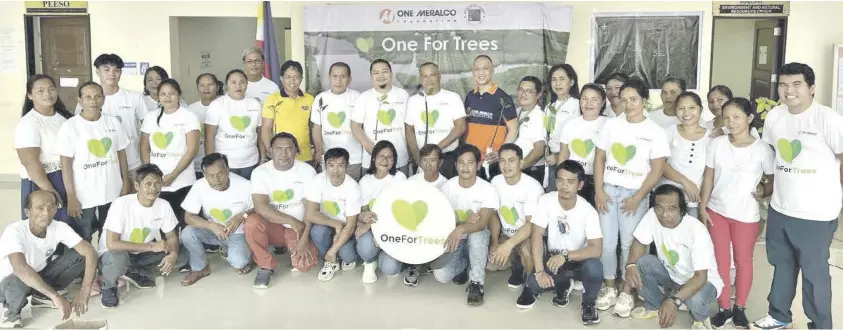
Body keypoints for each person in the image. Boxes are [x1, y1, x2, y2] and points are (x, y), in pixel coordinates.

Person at [752, 63, 842, 330]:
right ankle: (779, 316)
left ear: (812, 88)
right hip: (781, 207)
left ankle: (820, 325)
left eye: (796, 84)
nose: (788, 90)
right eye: (783, 85)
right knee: (782, 265)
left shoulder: (827, 119)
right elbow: (771, 155)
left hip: (816, 213)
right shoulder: (776, 117)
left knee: (815, 275)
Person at [593, 78, 670, 313]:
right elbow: (599, 158)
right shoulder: (611, 125)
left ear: (644, 100)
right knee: (606, 243)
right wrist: (598, 190)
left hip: (635, 194)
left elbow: (657, 169)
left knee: (630, 244)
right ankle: (609, 286)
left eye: (634, 99)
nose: (628, 104)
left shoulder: (655, 131)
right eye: (624, 99)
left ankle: (627, 291)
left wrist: (638, 197)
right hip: (608, 190)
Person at [698, 97, 774, 329]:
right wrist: (702, 206)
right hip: (717, 211)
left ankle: (739, 307)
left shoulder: (762, 150)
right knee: (720, 261)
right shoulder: (717, 144)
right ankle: (724, 308)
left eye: (737, 117)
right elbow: (708, 177)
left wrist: (763, 190)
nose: (731, 122)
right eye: (727, 117)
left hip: (746, 215)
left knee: (743, 261)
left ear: (749, 118)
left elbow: (772, 180)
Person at [619, 185, 721, 330]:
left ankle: (700, 319)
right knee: (642, 263)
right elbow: (639, 241)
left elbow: (700, 277)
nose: (664, 214)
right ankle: (654, 306)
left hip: (704, 282)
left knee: (695, 300)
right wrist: (630, 265)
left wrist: (674, 301)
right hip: (674, 276)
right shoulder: (652, 215)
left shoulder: (696, 231)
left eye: (672, 209)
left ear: (682, 209)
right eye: (659, 208)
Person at [515, 161, 603, 326]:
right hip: (552, 261)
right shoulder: (546, 201)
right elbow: (536, 236)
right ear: (556, 181)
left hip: (578, 262)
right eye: (561, 180)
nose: (564, 186)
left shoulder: (588, 211)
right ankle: (561, 284)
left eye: (570, 182)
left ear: (580, 185)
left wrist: (565, 256)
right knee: (533, 285)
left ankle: (589, 303)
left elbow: (596, 249)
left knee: (595, 266)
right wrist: (540, 271)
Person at [0, 190, 98, 328]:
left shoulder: (58, 227)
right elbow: (20, 269)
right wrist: (56, 296)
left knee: (79, 256)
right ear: (27, 212)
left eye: (51, 207)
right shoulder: (15, 231)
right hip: (8, 284)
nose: (46, 212)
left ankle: (40, 297)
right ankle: (10, 313)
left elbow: (90, 252)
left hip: (37, 275)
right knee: (19, 278)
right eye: (40, 208)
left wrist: (84, 291)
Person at [97, 164, 189, 308]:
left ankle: (132, 271)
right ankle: (108, 286)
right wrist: (152, 246)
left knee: (183, 254)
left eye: (157, 183)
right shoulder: (121, 204)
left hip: (141, 254)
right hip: (112, 255)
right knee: (119, 258)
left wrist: (174, 254)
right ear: (137, 185)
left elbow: (171, 236)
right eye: (148, 184)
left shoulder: (163, 205)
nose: (153, 188)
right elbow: (112, 244)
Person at [58, 82, 132, 242]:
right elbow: (66, 165)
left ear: (104, 99)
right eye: (88, 97)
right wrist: (71, 196)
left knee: (111, 234)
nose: (93, 101)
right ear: (80, 100)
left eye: (98, 96)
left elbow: (121, 155)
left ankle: (106, 265)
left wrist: (126, 181)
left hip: (113, 191)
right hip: (84, 195)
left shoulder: (113, 122)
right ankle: (86, 266)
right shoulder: (70, 127)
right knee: (83, 236)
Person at [245, 133, 319, 289]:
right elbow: (261, 207)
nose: (283, 154)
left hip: (299, 228)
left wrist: (304, 239)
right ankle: (265, 265)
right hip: (275, 226)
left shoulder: (307, 171)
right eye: (279, 149)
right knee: (252, 222)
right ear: (270, 151)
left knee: (304, 266)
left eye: (288, 149)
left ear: (296, 151)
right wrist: (292, 221)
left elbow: (311, 211)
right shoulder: (260, 172)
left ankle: (291, 247)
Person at [431, 144, 497, 306]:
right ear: (455, 165)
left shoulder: (487, 189)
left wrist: (462, 228)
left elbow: (482, 224)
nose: (465, 167)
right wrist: (463, 225)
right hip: (456, 238)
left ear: (478, 165)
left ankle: (476, 283)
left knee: (477, 234)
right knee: (441, 276)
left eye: (470, 163)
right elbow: (441, 220)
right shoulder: (447, 188)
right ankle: (463, 266)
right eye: (461, 163)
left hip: (477, 237)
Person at [179, 153, 254, 286]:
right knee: (187, 233)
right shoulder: (199, 185)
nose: (216, 180)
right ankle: (200, 268)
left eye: (220, 174)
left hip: (238, 233)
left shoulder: (245, 185)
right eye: (210, 176)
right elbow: (188, 217)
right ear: (204, 174)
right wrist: (211, 225)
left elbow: (259, 207)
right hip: (213, 232)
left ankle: (244, 251)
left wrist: (242, 215)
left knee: (239, 263)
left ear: (228, 170)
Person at [75, 54, 151, 174]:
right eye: (106, 69)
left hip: (133, 162)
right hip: (100, 165)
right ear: (97, 71)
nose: (112, 73)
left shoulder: (134, 97)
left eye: (116, 70)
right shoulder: (87, 100)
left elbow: (147, 129)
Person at [140, 79, 200, 227]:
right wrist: (149, 174)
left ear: (179, 94)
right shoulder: (151, 117)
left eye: (172, 93)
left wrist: (173, 174)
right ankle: (169, 248)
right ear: (158, 96)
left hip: (183, 179)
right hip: (158, 180)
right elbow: (144, 146)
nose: (167, 97)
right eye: (163, 94)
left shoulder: (189, 116)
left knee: (185, 222)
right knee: (164, 222)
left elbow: (192, 149)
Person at [15, 75, 74, 223]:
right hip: (44, 181)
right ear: (30, 95)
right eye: (40, 91)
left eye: (51, 89)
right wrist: (51, 191)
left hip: (66, 176)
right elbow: (30, 163)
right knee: (45, 227)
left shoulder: (65, 118)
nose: (47, 94)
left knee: (67, 228)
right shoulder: (29, 123)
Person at [488, 143, 543, 288]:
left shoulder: (533, 187)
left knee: (525, 250)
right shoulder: (495, 182)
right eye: (502, 161)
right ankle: (516, 265)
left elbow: (531, 225)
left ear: (521, 162)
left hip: (527, 235)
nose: (506, 166)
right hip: (506, 234)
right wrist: (495, 241)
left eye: (511, 160)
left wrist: (508, 245)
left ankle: (530, 283)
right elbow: (493, 214)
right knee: (490, 265)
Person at [305, 148, 362, 281]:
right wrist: (335, 224)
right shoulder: (318, 181)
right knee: (317, 232)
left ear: (347, 166)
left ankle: (333, 253)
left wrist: (333, 249)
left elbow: (351, 225)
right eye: (331, 165)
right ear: (325, 166)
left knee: (348, 257)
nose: (335, 170)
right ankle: (331, 261)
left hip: (346, 227)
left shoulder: (353, 188)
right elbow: (311, 214)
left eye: (340, 165)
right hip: (326, 224)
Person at [355, 141, 407, 284]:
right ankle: (370, 262)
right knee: (366, 248)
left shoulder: (400, 178)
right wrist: (369, 224)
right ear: (373, 158)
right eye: (381, 156)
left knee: (391, 269)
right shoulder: (365, 181)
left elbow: (400, 213)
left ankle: (385, 253)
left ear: (394, 161)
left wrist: (372, 226)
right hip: (373, 227)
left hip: (394, 229)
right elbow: (365, 213)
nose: (385, 160)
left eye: (389, 157)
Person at [405, 62, 466, 179]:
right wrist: (418, 159)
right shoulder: (414, 100)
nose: (429, 79)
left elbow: (460, 127)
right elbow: (409, 129)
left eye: (432, 75)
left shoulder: (452, 97)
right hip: (422, 160)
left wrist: (436, 150)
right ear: (420, 79)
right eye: (425, 76)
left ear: (439, 76)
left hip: (447, 157)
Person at [351, 59, 411, 177]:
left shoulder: (403, 95)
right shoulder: (364, 97)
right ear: (371, 76)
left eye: (384, 71)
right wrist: (371, 149)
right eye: (376, 73)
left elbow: (409, 126)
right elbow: (355, 126)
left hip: (400, 158)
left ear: (391, 73)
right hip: (371, 160)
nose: (380, 76)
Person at [464, 55, 517, 180]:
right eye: (477, 69)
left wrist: (501, 152)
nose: (481, 72)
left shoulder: (503, 98)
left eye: (485, 68)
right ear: (473, 71)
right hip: (470, 162)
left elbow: (513, 129)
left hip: (491, 163)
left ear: (492, 70)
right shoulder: (470, 96)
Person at [205, 69, 264, 180]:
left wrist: (263, 158)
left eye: (242, 82)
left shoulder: (255, 104)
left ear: (247, 84)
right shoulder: (217, 105)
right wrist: (211, 164)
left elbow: (260, 134)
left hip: (251, 162)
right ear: (227, 85)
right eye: (233, 82)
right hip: (225, 164)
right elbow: (209, 137)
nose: (238, 86)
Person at [557, 84, 609, 206]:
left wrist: (600, 189)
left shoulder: (609, 124)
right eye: (584, 99)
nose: (588, 103)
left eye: (594, 99)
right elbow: (563, 155)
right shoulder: (571, 124)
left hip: (599, 180)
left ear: (602, 103)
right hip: (573, 180)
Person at [661, 91, 711, 219]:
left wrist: (702, 206)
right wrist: (685, 182)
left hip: (695, 201)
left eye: (692, 108)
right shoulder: (668, 132)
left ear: (700, 109)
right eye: (681, 108)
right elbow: (659, 164)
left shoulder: (711, 137)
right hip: (668, 197)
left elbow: (709, 174)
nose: (686, 113)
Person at [311, 62, 364, 180]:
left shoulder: (357, 97)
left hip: (353, 159)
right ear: (329, 77)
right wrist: (319, 150)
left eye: (343, 76)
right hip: (329, 158)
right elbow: (316, 127)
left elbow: (363, 127)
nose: (338, 81)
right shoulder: (320, 98)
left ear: (349, 79)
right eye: (335, 76)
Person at [261, 60, 314, 163]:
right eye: (288, 77)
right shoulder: (272, 99)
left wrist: (317, 149)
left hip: (305, 155)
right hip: (281, 156)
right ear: (281, 79)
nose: (292, 81)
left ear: (301, 79)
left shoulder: (310, 99)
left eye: (296, 77)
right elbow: (266, 128)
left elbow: (313, 128)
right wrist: (270, 149)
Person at [545, 64, 581, 191]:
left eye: (562, 79)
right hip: (550, 159)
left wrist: (559, 156)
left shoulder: (577, 105)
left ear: (571, 82)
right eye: (554, 80)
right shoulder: (550, 105)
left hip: (567, 160)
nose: (557, 83)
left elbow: (578, 136)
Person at [187, 73, 224, 179]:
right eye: (202, 85)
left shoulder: (224, 105)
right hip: (197, 165)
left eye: (210, 84)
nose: (206, 88)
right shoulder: (190, 110)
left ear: (217, 87)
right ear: (197, 88)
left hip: (221, 163)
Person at [512, 76, 547, 183]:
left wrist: (518, 167)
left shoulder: (539, 116)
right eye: (521, 90)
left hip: (530, 170)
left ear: (538, 95)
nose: (523, 94)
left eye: (529, 91)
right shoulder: (516, 112)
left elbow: (539, 150)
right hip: (515, 169)